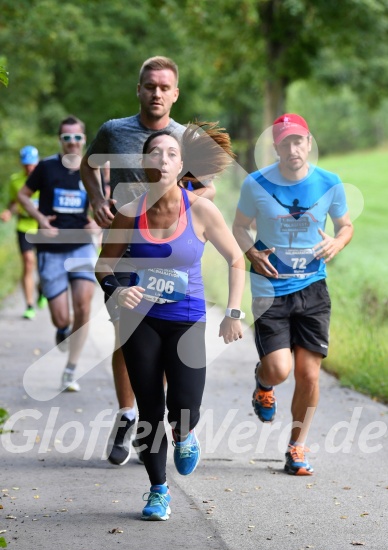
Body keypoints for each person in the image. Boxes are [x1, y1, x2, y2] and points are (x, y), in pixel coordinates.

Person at [95, 127, 245, 520]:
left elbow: (235, 259)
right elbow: (104, 263)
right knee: (149, 409)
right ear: (144, 163)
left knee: (184, 406)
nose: (162, 159)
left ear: (181, 165)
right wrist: (115, 289)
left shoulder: (200, 209)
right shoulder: (130, 213)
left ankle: (186, 435)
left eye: (171, 154)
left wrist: (232, 312)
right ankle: (158, 490)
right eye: (154, 153)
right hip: (139, 320)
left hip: (187, 321)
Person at [80, 56, 215, 466]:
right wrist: (99, 198)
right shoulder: (114, 131)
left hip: (169, 252)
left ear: (175, 94)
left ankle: (160, 423)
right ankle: (129, 413)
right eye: (149, 86)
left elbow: (208, 190)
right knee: (128, 333)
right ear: (138, 89)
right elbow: (89, 166)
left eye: (164, 87)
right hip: (124, 248)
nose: (156, 93)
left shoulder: (187, 140)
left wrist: (180, 207)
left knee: (165, 336)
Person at [232, 113, 353, 476]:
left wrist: (337, 241)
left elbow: (346, 225)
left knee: (309, 375)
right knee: (280, 369)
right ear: (276, 147)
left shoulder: (330, 183)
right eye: (285, 142)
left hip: (313, 288)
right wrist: (251, 250)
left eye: (298, 140)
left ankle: (297, 447)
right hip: (269, 288)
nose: (293, 148)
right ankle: (263, 381)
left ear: (309, 143)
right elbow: (239, 227)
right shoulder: (255, 184)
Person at [17, 115, 99, 393]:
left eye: (77, 137)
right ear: (60, 140)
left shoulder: (94, 168)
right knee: (62, 319)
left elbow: (104, 201)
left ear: (84, 139)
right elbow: (23, 195)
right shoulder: (46, 167)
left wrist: (96, 221)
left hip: (81, 245)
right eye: (67, 138)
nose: (73, 143)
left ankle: (70, 370)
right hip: (51, 249)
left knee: (84, 307)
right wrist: (40, 219)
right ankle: (62, 328)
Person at [0, 146, 47, 319]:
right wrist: (8, 212)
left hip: (43, 227)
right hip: (24, 227)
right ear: (22, 164)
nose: (29, 168)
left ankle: (42, 291)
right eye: (26, 165)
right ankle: (29, 305)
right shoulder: (15, 181)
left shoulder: (45, 178)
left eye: (32, 165)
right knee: (28, 263)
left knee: (43, 265)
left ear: (37, 163)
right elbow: (14, 202)